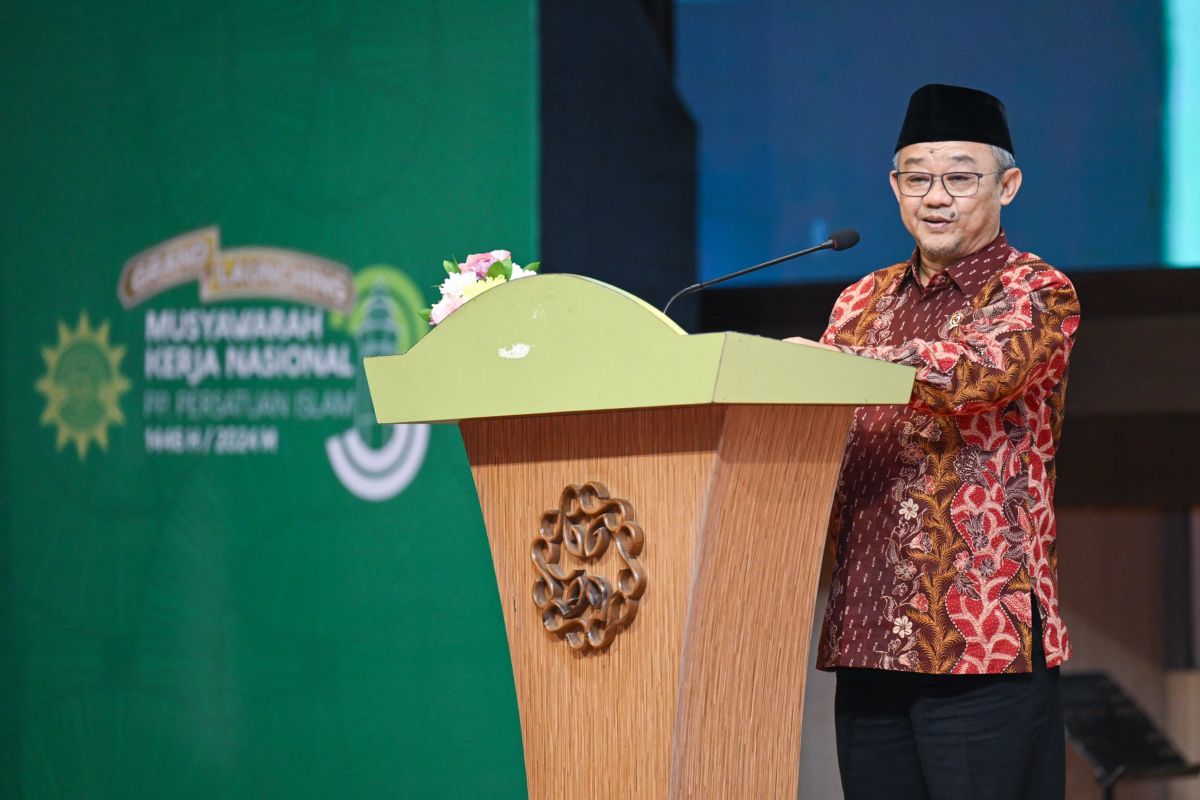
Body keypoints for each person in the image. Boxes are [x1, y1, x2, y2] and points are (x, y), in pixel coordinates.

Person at [788, 84, 1081, 799]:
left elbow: (978, 372)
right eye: (918, 179)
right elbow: (818, 423)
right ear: (895, 187)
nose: (936, 198)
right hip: (868, 628)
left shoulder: (1036, 290)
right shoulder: (861, 300)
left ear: (1007, 186)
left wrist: (836, 366)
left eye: (960, 178)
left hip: (981, 636)